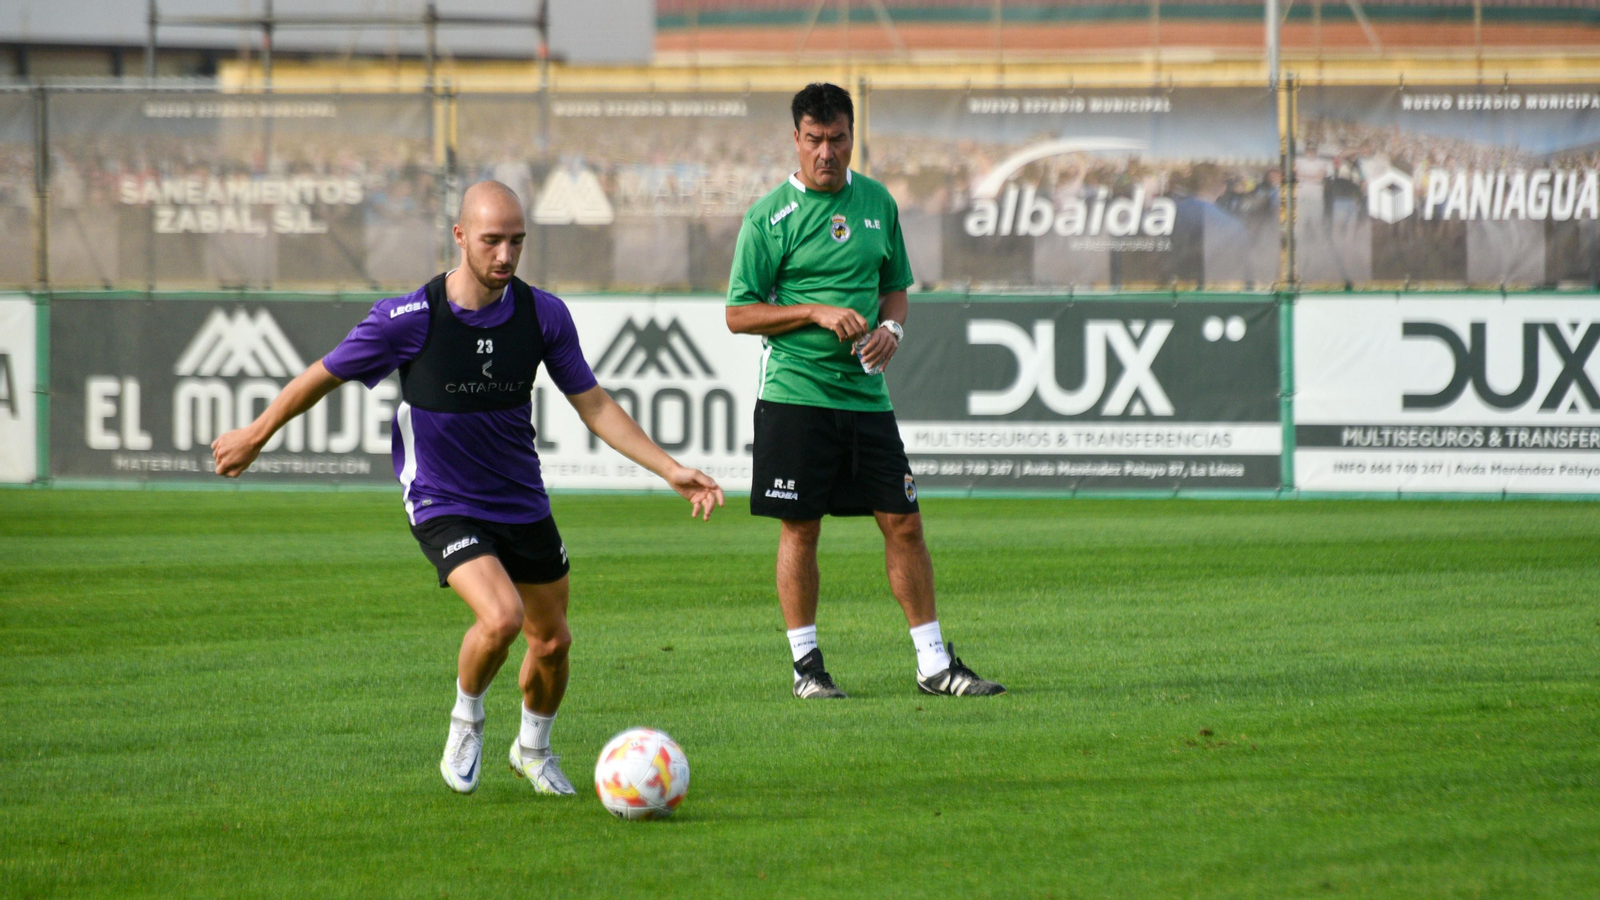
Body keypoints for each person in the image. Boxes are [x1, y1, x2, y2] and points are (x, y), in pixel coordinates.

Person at [212, 181, 724, 795]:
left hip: (520, 498)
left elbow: (594, 404)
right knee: (502, 617)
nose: (505, 255)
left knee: (553, 640)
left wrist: (668, 468)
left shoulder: (542, 315)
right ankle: (467, 719)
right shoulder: (409, 318)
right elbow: (322, 375)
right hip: (442, 499)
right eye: (491, 241)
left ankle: (533, 750)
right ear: (459, 237)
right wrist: (257, 432)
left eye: (516, 241)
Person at [725, 83, 1004, 699]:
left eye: (838, 139)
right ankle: (807, 669)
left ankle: (933, 664)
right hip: (796, 395)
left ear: (853, 137)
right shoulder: (768, 217)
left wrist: (893, 330)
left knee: (903, 521)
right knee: (801, 528)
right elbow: (739, 314)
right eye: (815, 139)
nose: (827, 151)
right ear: (796, 140)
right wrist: (815, 312)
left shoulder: (878, 202)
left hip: (866, 397)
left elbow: (896, 286)